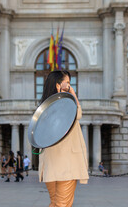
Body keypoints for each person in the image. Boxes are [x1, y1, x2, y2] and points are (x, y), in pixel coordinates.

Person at [39, 70, 89, 207]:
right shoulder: (65, 104)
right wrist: (72, 93)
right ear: (57, 85)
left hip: (50, 166)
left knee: (55, 203)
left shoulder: (44, 108)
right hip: (66, 165)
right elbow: (78, 113)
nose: (69, 86)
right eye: (67, 82)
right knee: (62, 205)